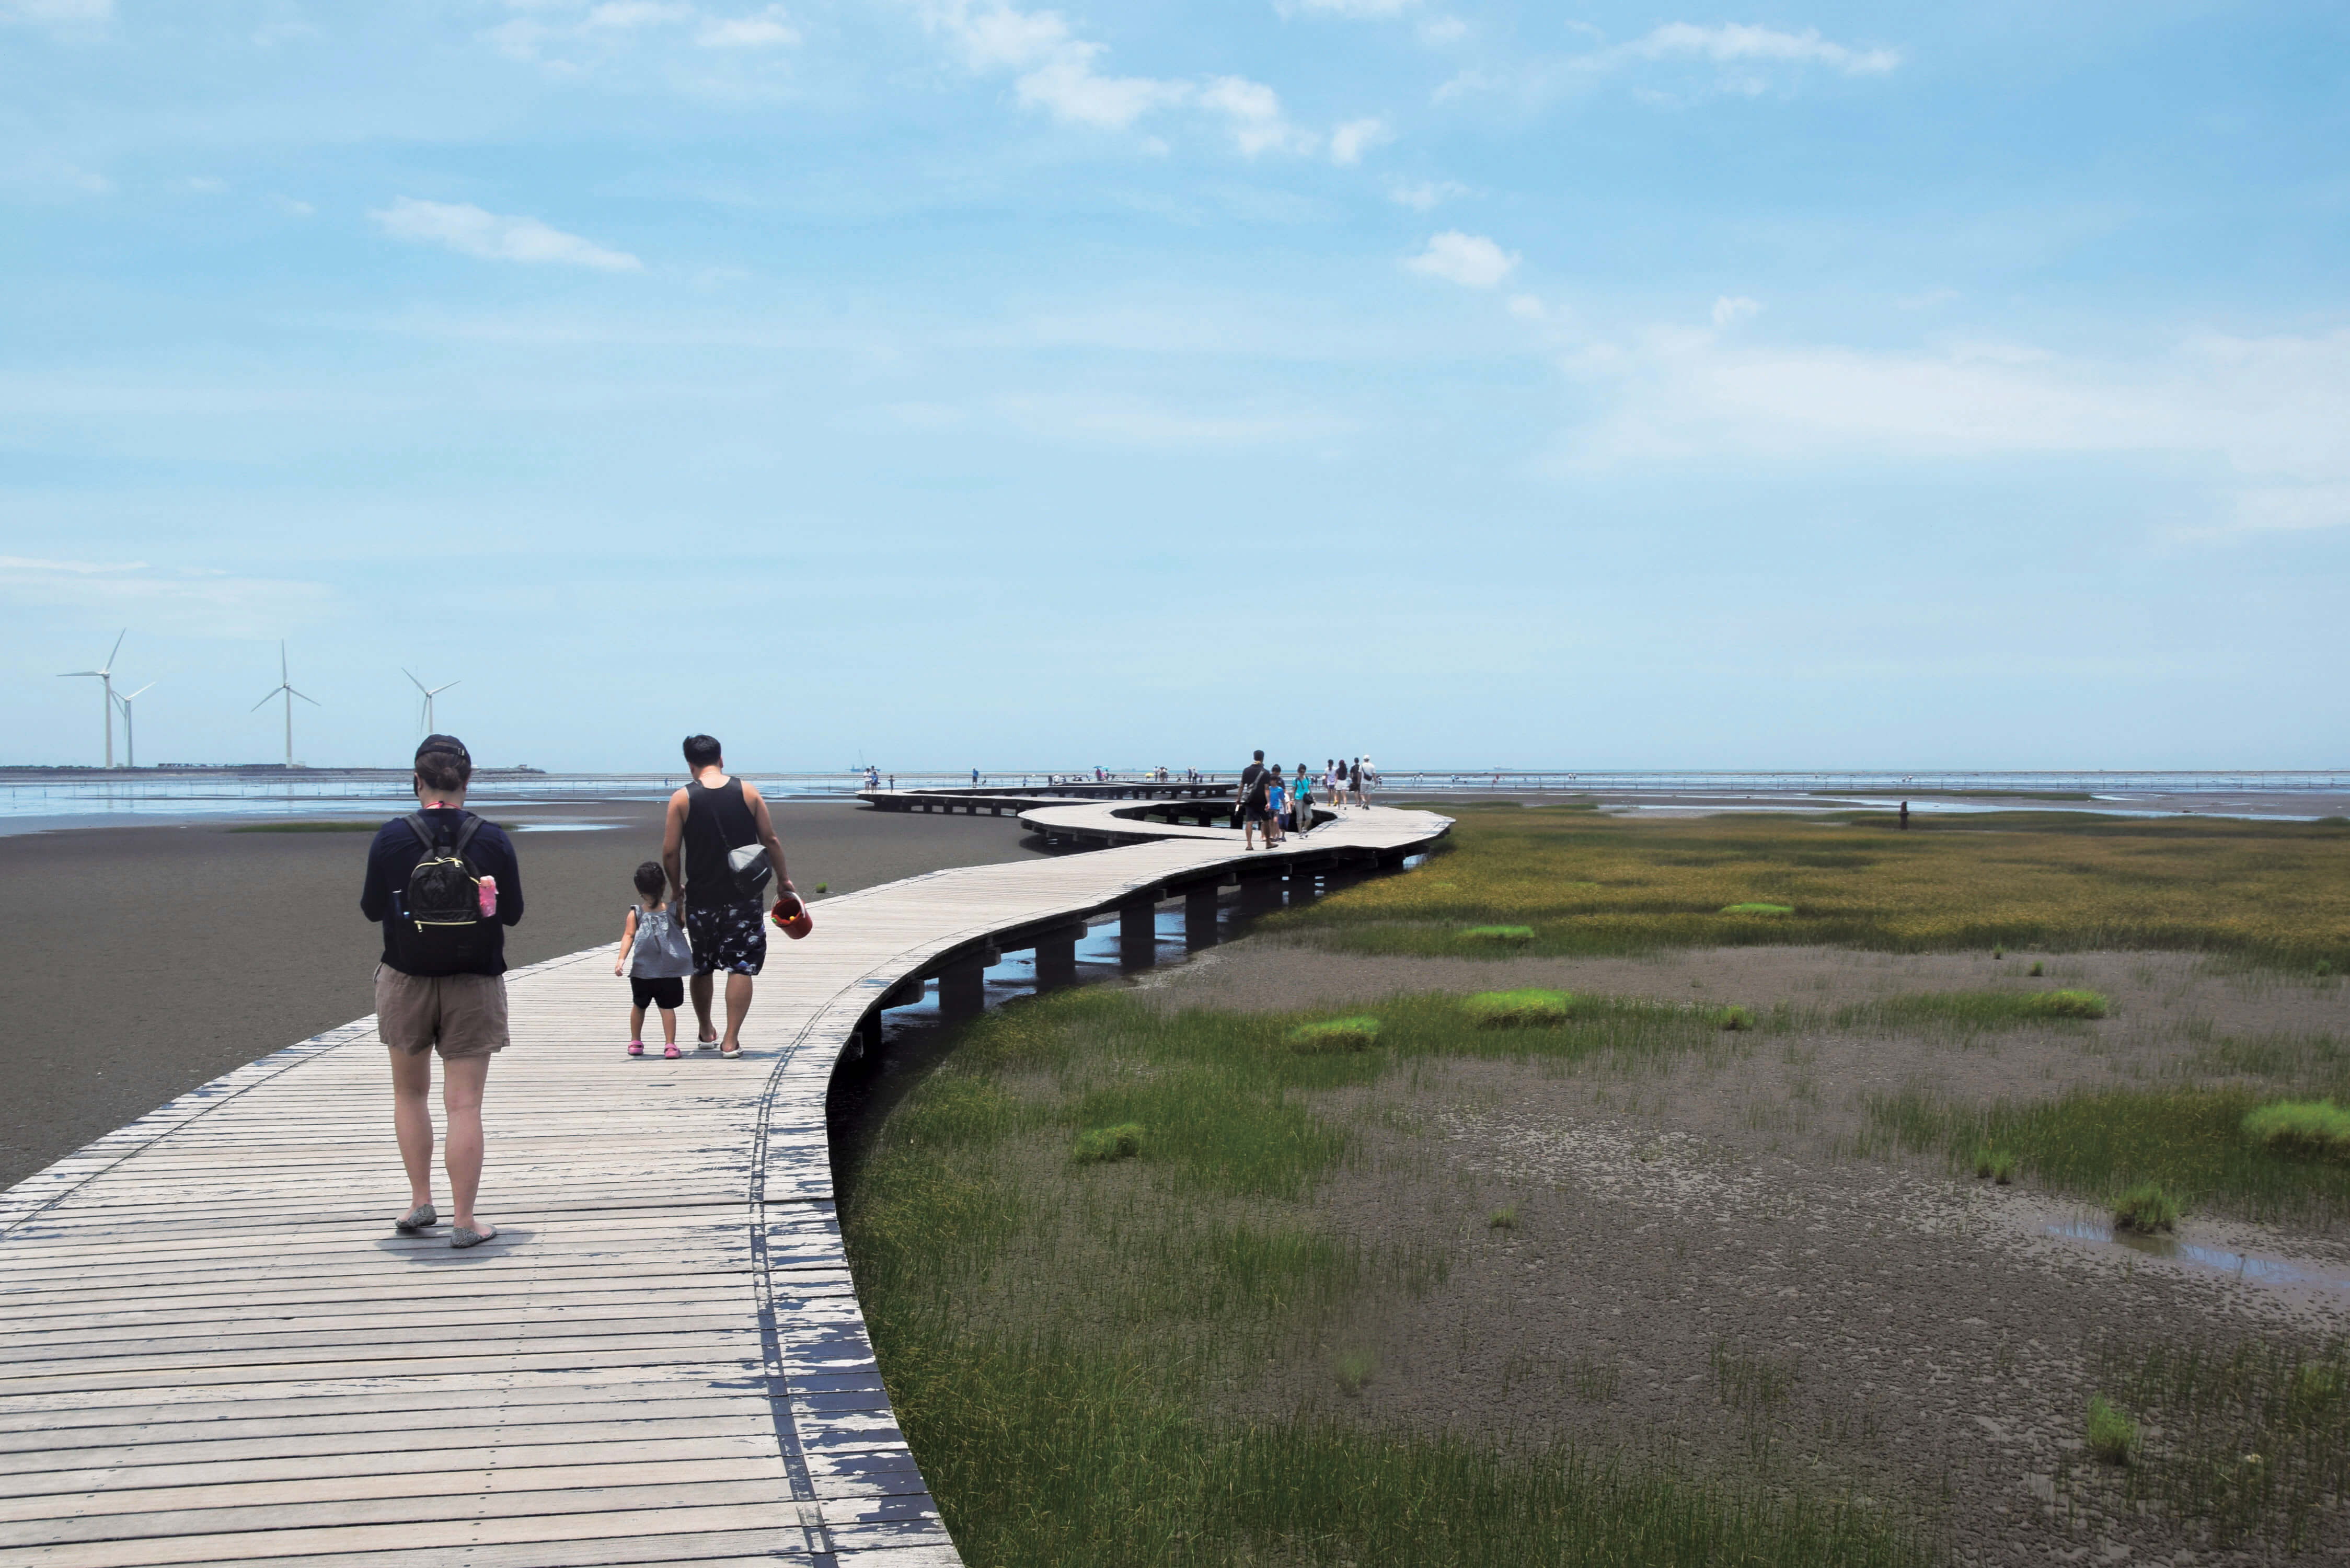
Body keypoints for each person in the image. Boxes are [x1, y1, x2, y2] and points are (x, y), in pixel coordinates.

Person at [359, 734, 521, 1250]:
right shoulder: (492, 839)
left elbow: (369, 909)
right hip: (474, 980)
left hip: (405, 978)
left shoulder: (390, 839)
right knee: (464, 1104)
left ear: (416, 781)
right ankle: (465, 1219)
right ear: (467, 782)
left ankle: (418, 1200)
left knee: (409, 1094)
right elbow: (513, 914)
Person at [663, 734, 801, 1059]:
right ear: (721, 759)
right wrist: (783, 880)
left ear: (690, 765)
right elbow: (771, 839)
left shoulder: (681, 799)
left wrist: (676, 891)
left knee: (703, 964)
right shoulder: (747, 792)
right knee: (741, 965)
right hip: (745, 895)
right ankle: (730, 1040)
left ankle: (705, 1029)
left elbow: (670, 852)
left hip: (701, 895)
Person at [616, 860, 692, 1059]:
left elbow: (628, 936)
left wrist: (621, 959)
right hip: (665, 971)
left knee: (639, 1006)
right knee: (666, 1008)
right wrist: (680, 898)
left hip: (644, 971)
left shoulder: (636, 913)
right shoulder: (670, 910)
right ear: (663, 886)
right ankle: (670, 1045)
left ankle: (636, 1040)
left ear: (638, 888)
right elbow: (681, 922)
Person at [1265, 764, 1287, 846]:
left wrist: (1285, 808)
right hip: (1270, 807)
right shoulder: (1269, 787)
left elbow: (1283, 798)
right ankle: (1273, 836)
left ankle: (1275, 836)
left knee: (1275, 821)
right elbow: (1266, 796)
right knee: (1270, 822)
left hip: (1277, 807)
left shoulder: (1280, 787)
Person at [1292, 762, 1314, 835]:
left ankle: (1305, 828)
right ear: (1298, 771)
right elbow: (1294, 790)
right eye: (1301, 772)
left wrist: (1313, 798)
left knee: (1309, 816)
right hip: (1298, 799)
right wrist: (1293, 799)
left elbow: (1310, 788)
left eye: (1304, 772)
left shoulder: (1307, 779)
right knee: (1300, 816)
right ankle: (1300, 832)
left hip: (1307, 798)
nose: (1302, 773)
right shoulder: (1295, 780)